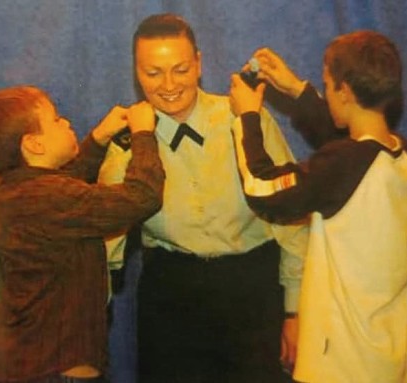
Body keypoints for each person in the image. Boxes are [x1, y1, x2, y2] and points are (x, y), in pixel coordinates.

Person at [99, 13, 309, 383]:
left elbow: (291, 218)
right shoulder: (126, 143)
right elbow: (107, 239)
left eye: (180, 69)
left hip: (252, 289)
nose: (168, 85)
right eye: (153, 73)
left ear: (199, 63)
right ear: (135, 72)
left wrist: (294, 312)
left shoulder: (245, 119)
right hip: (171, 296)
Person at [228, 31, 407, 382]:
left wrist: (246, 117)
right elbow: (346, 148)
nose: (326, 92)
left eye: (327, 85)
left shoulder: (346, 163)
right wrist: (297, 90)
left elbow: (263, 189)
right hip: (387, 351)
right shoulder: (400, 153)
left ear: (345, 92)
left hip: (345, 361)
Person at [0, 86, 164, 383]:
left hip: (26, 365)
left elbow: (67, 188)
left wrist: (98, 138)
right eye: (56, 120)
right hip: (58, 373)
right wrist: (144, 134)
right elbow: (143, 196)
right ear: (34, 144)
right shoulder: (52, 197)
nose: (67, 123)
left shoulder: (15, 193)